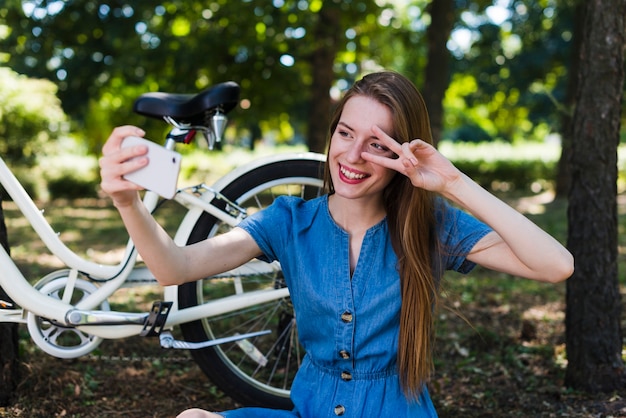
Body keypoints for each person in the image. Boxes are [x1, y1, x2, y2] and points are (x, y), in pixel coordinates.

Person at [99, 71, 574, 418]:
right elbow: (174, 268)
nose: (351, 155)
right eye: (345, 133)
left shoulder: (429, 225)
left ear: (401, 155)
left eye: (376, 143)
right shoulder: (289, 221)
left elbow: (556, 266)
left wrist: (450, 182)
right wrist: (127, 202)